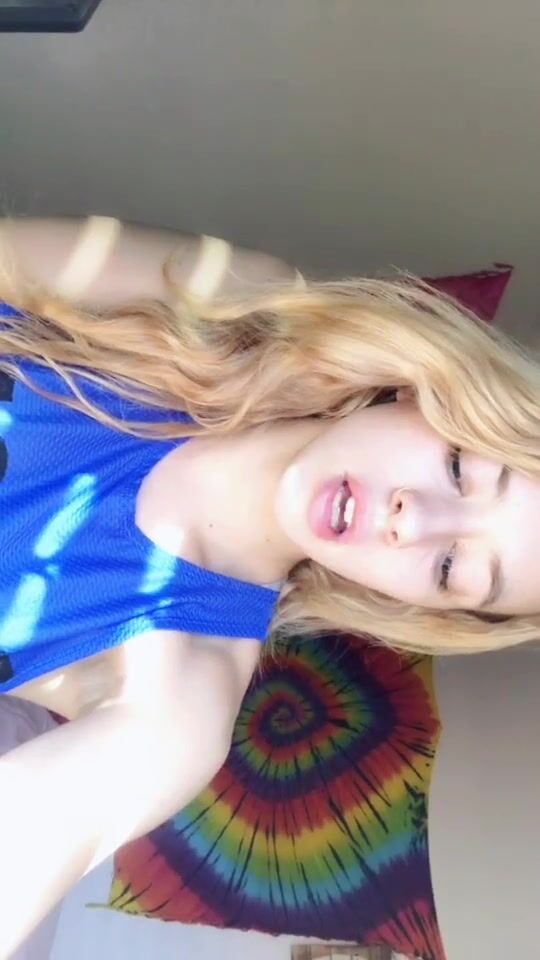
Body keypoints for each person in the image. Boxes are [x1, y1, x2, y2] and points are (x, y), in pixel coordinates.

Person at [0, 215, 539, 954]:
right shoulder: (239, 301)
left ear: (422, 607)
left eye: (451, 569)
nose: (413, 520)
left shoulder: (181, 699)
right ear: (434, 390)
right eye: (459, 469)